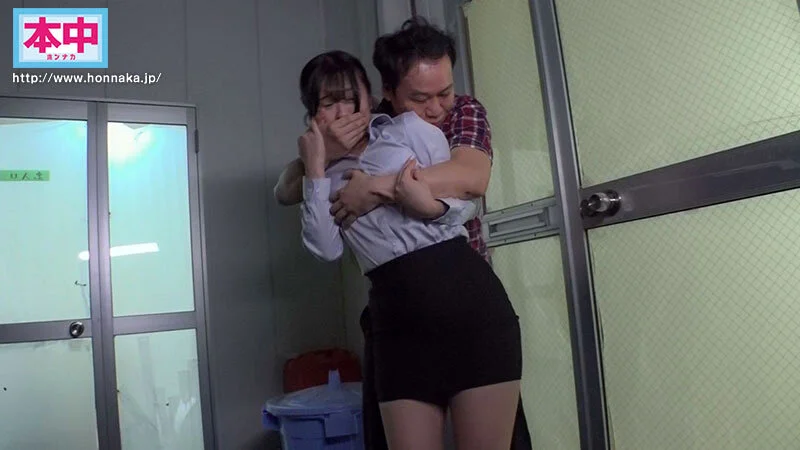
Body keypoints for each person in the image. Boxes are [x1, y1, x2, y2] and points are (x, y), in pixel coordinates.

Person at [274, 17, 533, 450]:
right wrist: (317, 162)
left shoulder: (420, 128)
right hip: (395, 319)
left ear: (368, 97)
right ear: (388, 95)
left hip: (468, 301)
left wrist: (385, 191)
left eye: (444, 92)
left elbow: (468, 188)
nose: (437, 107)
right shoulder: (332, 166)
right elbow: (299, 211)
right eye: (420, 97)